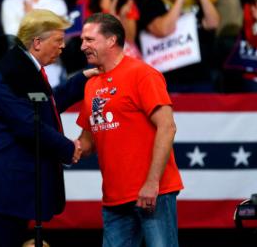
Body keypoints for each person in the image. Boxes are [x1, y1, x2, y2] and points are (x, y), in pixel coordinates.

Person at [0, 9, 96, 247]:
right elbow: (28, 125)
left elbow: (45, 105)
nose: (62, 47)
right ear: (37, 42)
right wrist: (69, 148)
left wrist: (82, 79)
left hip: (11, 192)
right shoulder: (11, 73)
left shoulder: (23, 67)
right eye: (58, 41)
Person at [77, 13, 183, 247]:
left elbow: (167, 127)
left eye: (89, 40)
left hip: (153, 192)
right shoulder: (91, 85)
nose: (82, 46)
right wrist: (52, 145)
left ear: (111, 40)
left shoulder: (143, 74)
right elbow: (86, 143)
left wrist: (152, 183)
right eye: (82, 40)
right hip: (114, 198)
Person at [139, 0, 220, 93]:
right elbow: (163, 29)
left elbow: (213, 23)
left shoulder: (195, 2)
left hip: (200, 78)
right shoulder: (152, 2)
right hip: (168, 82)